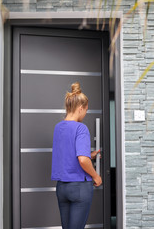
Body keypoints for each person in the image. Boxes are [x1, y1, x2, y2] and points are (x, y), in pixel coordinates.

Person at [51, 82, 102, 229]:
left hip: (62, 188)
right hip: (79, 188)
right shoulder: (81, 128)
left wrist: (89, 154)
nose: (85, 114)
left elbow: (67, 153)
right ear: (81, 108)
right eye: (86, 110)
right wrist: (96, 176)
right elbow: (82, 159)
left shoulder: (58, 127)